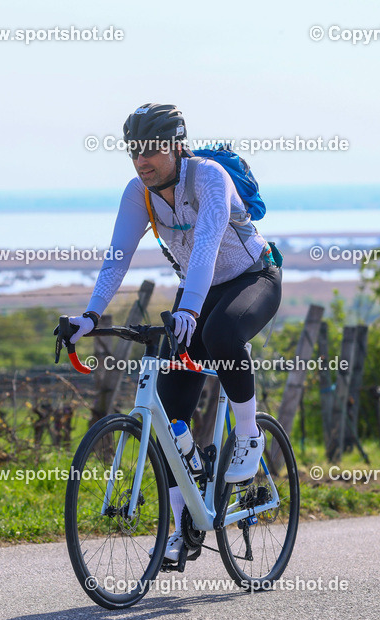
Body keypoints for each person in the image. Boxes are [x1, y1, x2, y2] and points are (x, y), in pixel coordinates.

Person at [64, 103, 282, 560]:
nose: (141, 160)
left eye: (151, 150)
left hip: (251, 278)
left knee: (221, 336)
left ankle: (248, 434)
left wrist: (188, 310)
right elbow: (117, 257)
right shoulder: (137, 193)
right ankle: (183, 529)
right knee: (167, 415)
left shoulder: (208, 178)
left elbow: (205, 249)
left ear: (177, 146)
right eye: (133, 151)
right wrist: (90, 316)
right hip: (197, 290)